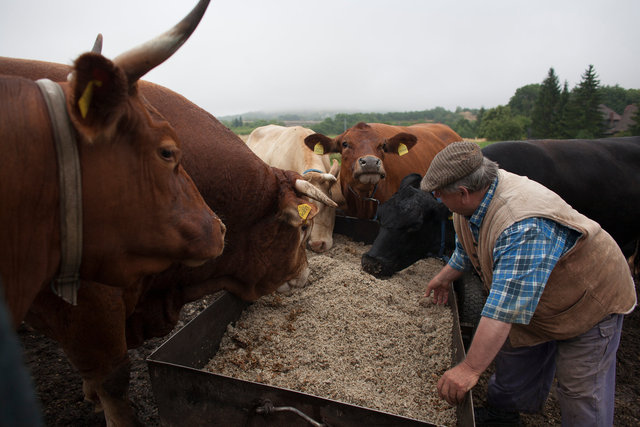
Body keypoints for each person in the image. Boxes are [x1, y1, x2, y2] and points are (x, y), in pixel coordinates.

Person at [420, 141, 637, 426]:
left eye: (439, 193)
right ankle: (503, 414)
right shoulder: (476, 199)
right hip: (538, 291)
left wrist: (470, 369)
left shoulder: (521, 224)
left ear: (462, 192)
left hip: (587, 297)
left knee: (581, 388)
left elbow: (503, 309)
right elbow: (470, 242)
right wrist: (446, 274)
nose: (436, 197)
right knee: (515, 354)